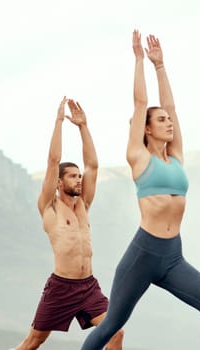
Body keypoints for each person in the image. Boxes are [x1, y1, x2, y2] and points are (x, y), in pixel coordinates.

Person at [81, 30, 200, 350]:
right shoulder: (138, 157)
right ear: (147, 128)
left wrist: (161, 66)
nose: (169, 123)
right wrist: (139, 61)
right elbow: (140, 103)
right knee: (111, 326)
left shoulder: (175, 157)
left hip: (173, 257)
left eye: (168, 120)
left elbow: (172, 107)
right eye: (161, 120)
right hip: (143, 255)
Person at [10, 97, 123, 350]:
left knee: (116, 332)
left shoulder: (84, 205)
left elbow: (93, 165)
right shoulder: (49, 208)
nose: (79, 179)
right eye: (72, 176)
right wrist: (59, 122)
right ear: (59, 183)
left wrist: (83, 127)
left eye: (78, 176)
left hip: (89, 286)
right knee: (33, 342)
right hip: (61, 286)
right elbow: (53, 161)